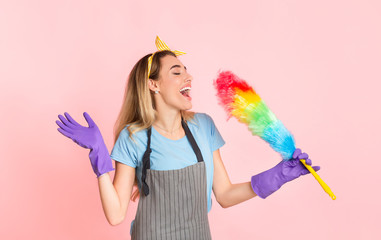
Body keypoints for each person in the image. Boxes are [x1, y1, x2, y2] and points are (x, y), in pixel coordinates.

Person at [56, 36, 320, 240]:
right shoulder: (133, 138)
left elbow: (225, 195)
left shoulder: (203, 127)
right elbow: (116, 215)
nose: (189, 77)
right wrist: (100, 156)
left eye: (186, 70)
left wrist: (277, 176)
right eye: (176, 72)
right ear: (153, 85)